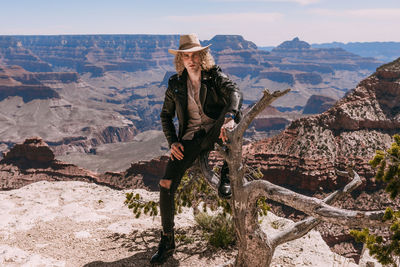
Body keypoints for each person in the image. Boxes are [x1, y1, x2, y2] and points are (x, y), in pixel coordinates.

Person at [150, 34, 242, 264]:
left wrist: (229, 117)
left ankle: (226, 173)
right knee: (166, 184)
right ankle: (167, 240)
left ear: (202, 57)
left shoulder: (215, 76)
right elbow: (165, 115)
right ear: (181, 59)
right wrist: (173, 141)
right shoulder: (175, 84)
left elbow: (235, 93)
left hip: (215, 131)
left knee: (231, 124)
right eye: (186, 56)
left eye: (195, 55)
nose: (191, 60)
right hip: (190, 138)